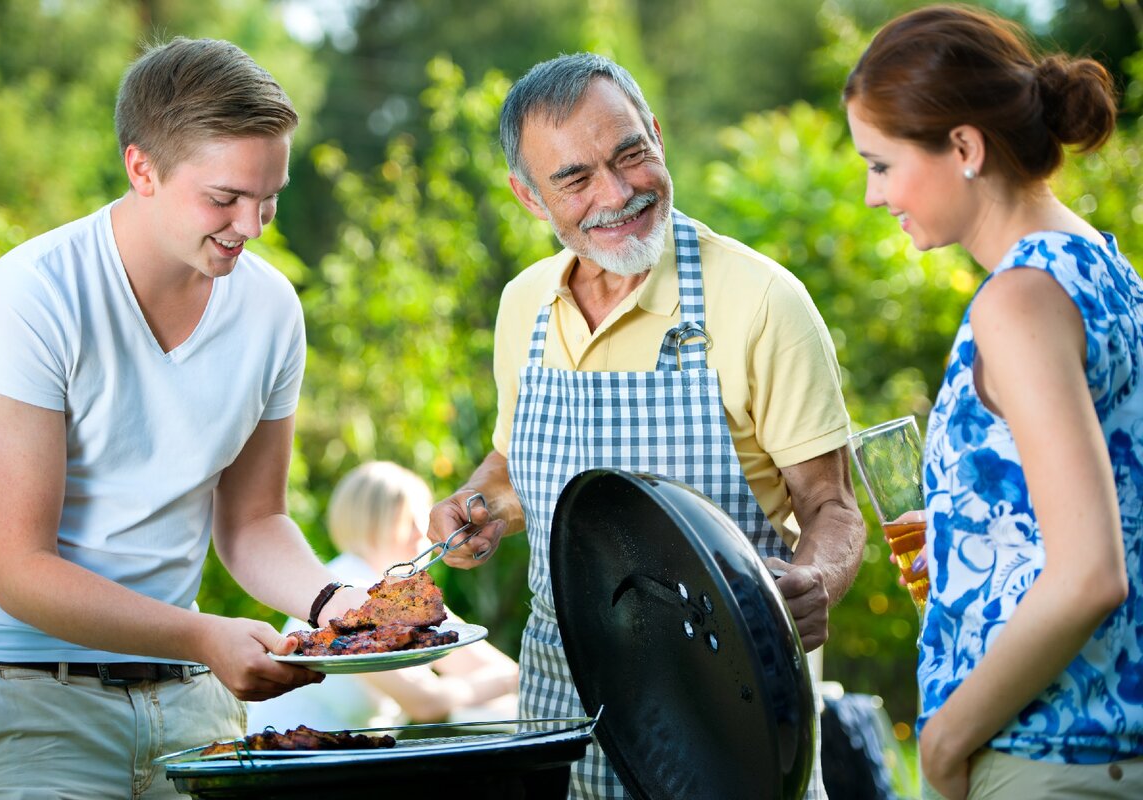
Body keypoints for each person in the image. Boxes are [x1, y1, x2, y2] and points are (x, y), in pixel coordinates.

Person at [425, 52, 867, 799]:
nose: (619, 192)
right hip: (561, 724)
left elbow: (832, 506)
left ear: (657, 136)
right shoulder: (522, 305)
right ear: (530, 198)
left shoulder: (763, 301)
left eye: (631, 154)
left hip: (731, 727)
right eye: (576, 178)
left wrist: (816, 579)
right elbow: (516, 467)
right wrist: (481, 505)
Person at [0, 37, 370, 798]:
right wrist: (206, 637)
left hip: (185, 697)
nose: (254, 225)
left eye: (268, 196)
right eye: (224, 198)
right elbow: (20, 571)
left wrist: (336, 605)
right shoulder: (33, 296)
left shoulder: (270, 309)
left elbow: (252, 522)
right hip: (11, 687)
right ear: (142, 168)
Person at [844, 5, 1143, 799]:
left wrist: (944, 741)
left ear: (965, 147)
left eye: (880, 164)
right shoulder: (1103, 267)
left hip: (1048, 754)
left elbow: (1090, 575)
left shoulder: (1017, 301)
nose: (874, 196)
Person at [247, 461, 519, 732]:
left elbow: (476, 660)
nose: (424, 536)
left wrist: (514, 677)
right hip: (290, 760)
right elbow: (425, 701)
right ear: (372, 524)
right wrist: (509, 680)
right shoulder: (347, 596)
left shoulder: (400, 597)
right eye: (409, 520)